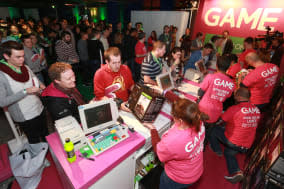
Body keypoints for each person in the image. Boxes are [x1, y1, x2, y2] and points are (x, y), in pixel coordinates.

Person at [144, 99, 208, 189]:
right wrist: (166, 93)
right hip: (195, 170)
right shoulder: (198, 121)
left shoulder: (174, 140)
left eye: (173, 116)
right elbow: (186, 107)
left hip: (177, 178)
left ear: (180, 121)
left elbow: (158, 152)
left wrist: (153, 129)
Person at [209, 87, 261, 183]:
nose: (234, 97)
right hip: (246, 145)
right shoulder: (257, 110)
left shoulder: (234, 109)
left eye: (235, 95)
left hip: (234, 142)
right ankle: (237, 172)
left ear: (239, 97)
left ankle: (216, 149)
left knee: (214, 130)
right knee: (229, 153)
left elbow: (221, 120)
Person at [0, 41, 47, 143]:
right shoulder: (2, 75)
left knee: (46, 136)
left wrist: (41, 85)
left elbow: (34, 78)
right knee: (35, 143)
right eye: (18, 57)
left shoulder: (25, 67)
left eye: (23, 56)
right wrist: (25, 91)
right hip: (25, 117)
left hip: (39, 108)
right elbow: (2, 102)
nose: (22, 59)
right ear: (6, 56)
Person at [198, 55, 235, 124]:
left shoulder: (210, 77)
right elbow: (227, 97)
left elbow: (200, 93)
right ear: (229, 67)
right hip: (216, 112)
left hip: (203, 110)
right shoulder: (232, 84)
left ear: (216, 66)